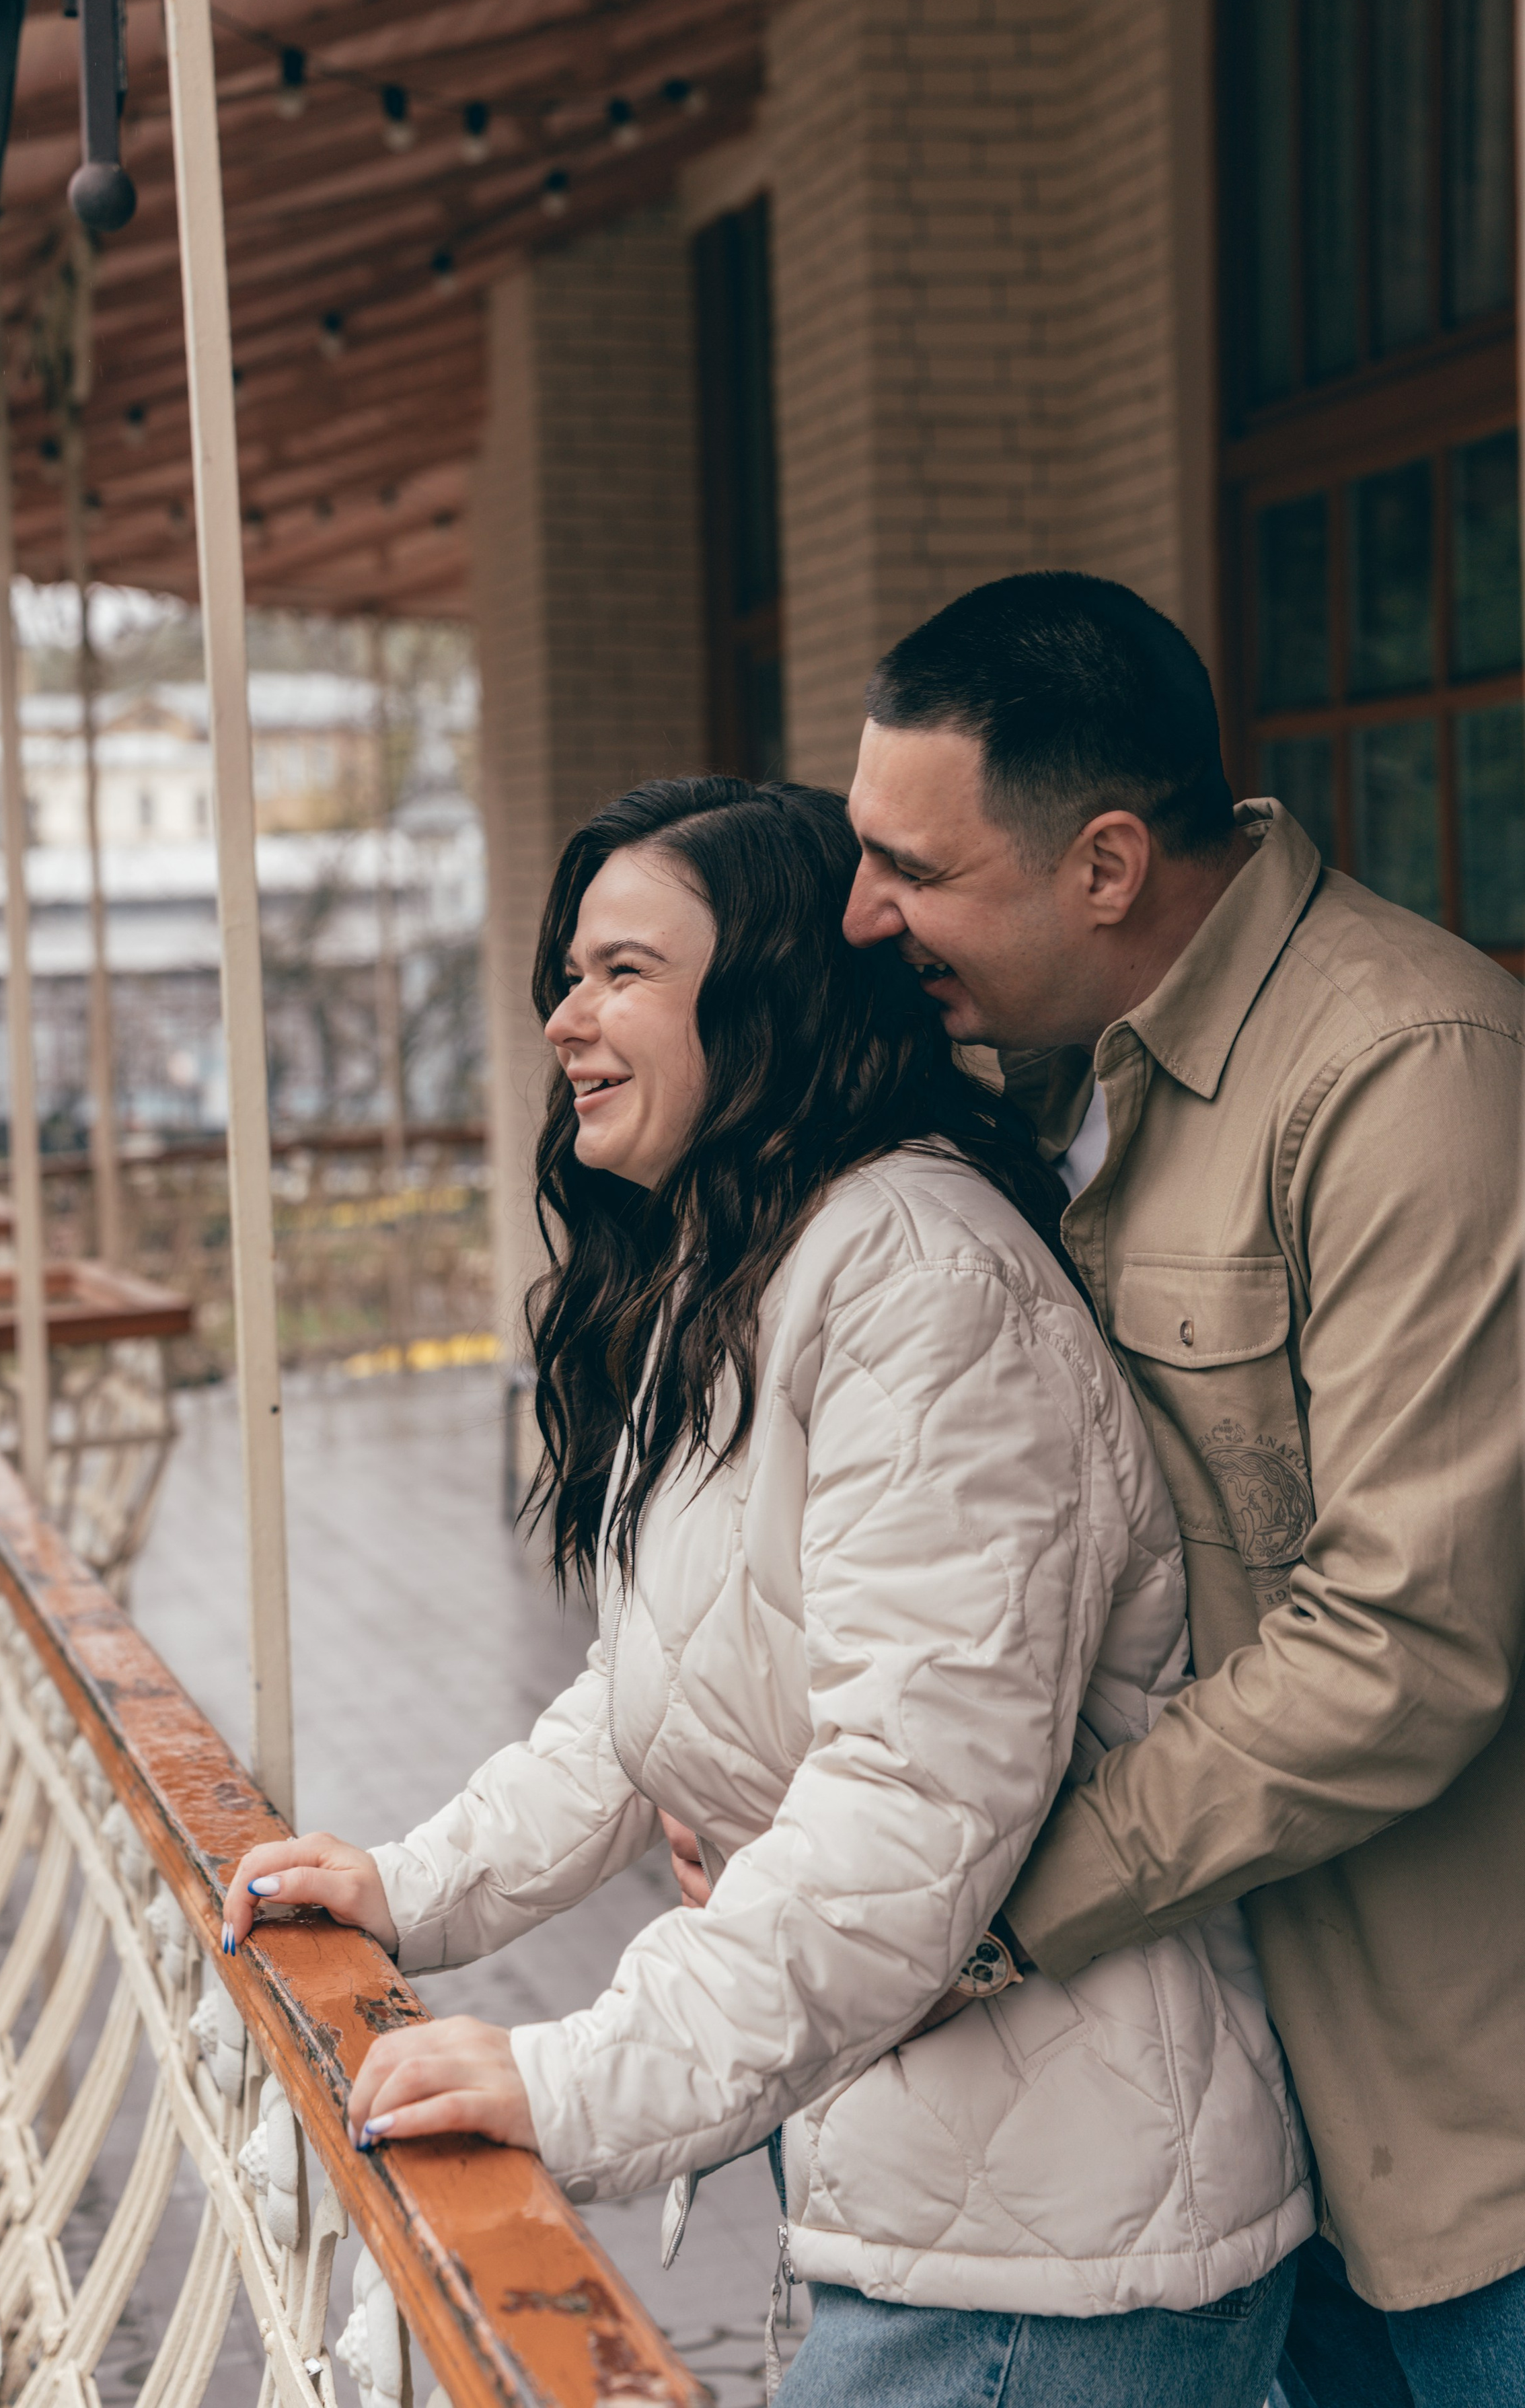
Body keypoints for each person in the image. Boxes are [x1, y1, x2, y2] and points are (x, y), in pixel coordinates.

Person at [225, 775, 1312, 2407]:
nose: (565, 1023)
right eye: (568, 976)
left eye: (623, 974)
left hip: (1056, 2260)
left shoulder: (919, 1284)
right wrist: (413, 1887)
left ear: (777, 998)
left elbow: (910, 1803)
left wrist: (574, 2076)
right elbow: (651, 1685)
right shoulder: (740, 1262)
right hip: (934, 2176)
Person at [837, 571, 1525, 2408]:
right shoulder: (1040, 1078)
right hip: (1240, 2115)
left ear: (1111, 865)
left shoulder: (1409, 1072)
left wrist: (983, 1903)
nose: (861, 913)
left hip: (1470, 2151)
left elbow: (1409, 1642)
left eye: (914, 867)